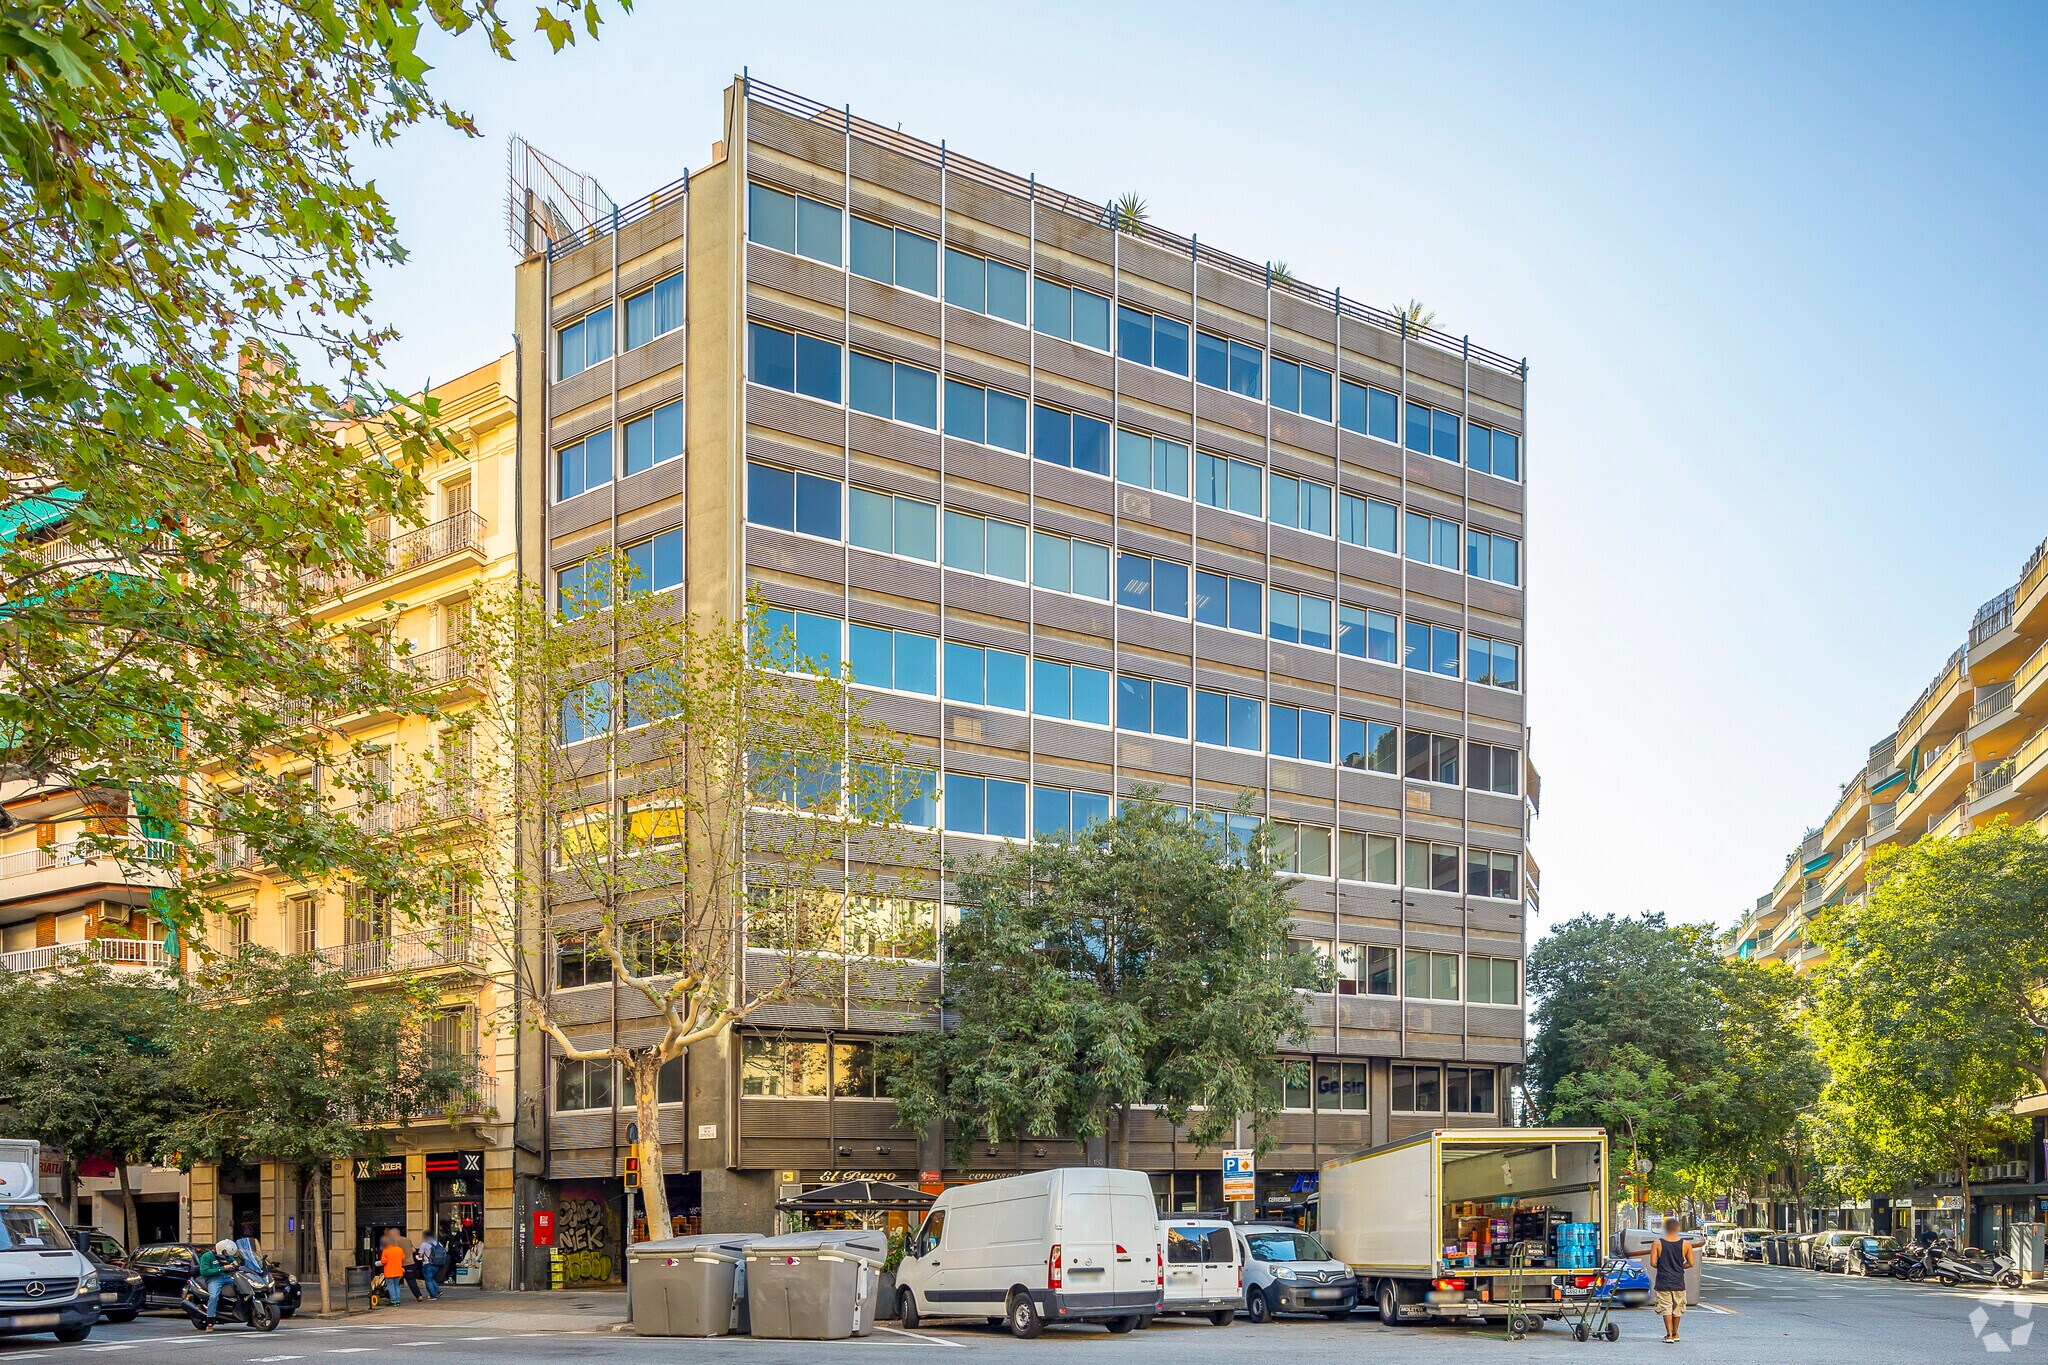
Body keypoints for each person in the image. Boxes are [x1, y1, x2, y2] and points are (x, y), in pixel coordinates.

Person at [1634, 1216, 1697, 1344]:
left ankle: (1668, 1335)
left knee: (1666, 1308)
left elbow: (1653, 1262)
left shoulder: (1657, 1243)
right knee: (1677, 1308)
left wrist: (1663, 1266)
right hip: (1678, 1281)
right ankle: (1676, 1333)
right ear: (1678, 1228)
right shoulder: (1686, 1244)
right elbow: (1691, 1263)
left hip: (1663, 1281)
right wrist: (1679, 1266)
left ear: (1665, 1229)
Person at [197, 1239, 240, 1329]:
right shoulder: (207, 1256)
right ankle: (210, 1321)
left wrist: (235, 1263)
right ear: (221, 1250)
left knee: (242, 1287)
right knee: (213, 1296)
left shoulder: (227, 1256)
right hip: (214, 1279)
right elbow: (204, 1272)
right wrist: (221, 1269)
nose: (228, 1256)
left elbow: (233, 1260)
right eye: (226, 1254)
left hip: (227, 1277)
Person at [378, 1229, 409, 1306]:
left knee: (390, 1286)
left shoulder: (386, 1251)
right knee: (397, 1286)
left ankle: (393, 1301)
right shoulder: (399, 1249)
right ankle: (398, 1301)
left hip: (389, 1271)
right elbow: (403, 1257)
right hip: (398, 1271)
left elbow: (383, 1261)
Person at [416, 1229, 446, 1300]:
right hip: (437, 1264)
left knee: (428, 1280)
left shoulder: (424, 1244)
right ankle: (438, 1291)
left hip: (427, 1264)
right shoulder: (438, 1243)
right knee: (431, 1278)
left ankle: (433, 1295)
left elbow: (420, 1255)